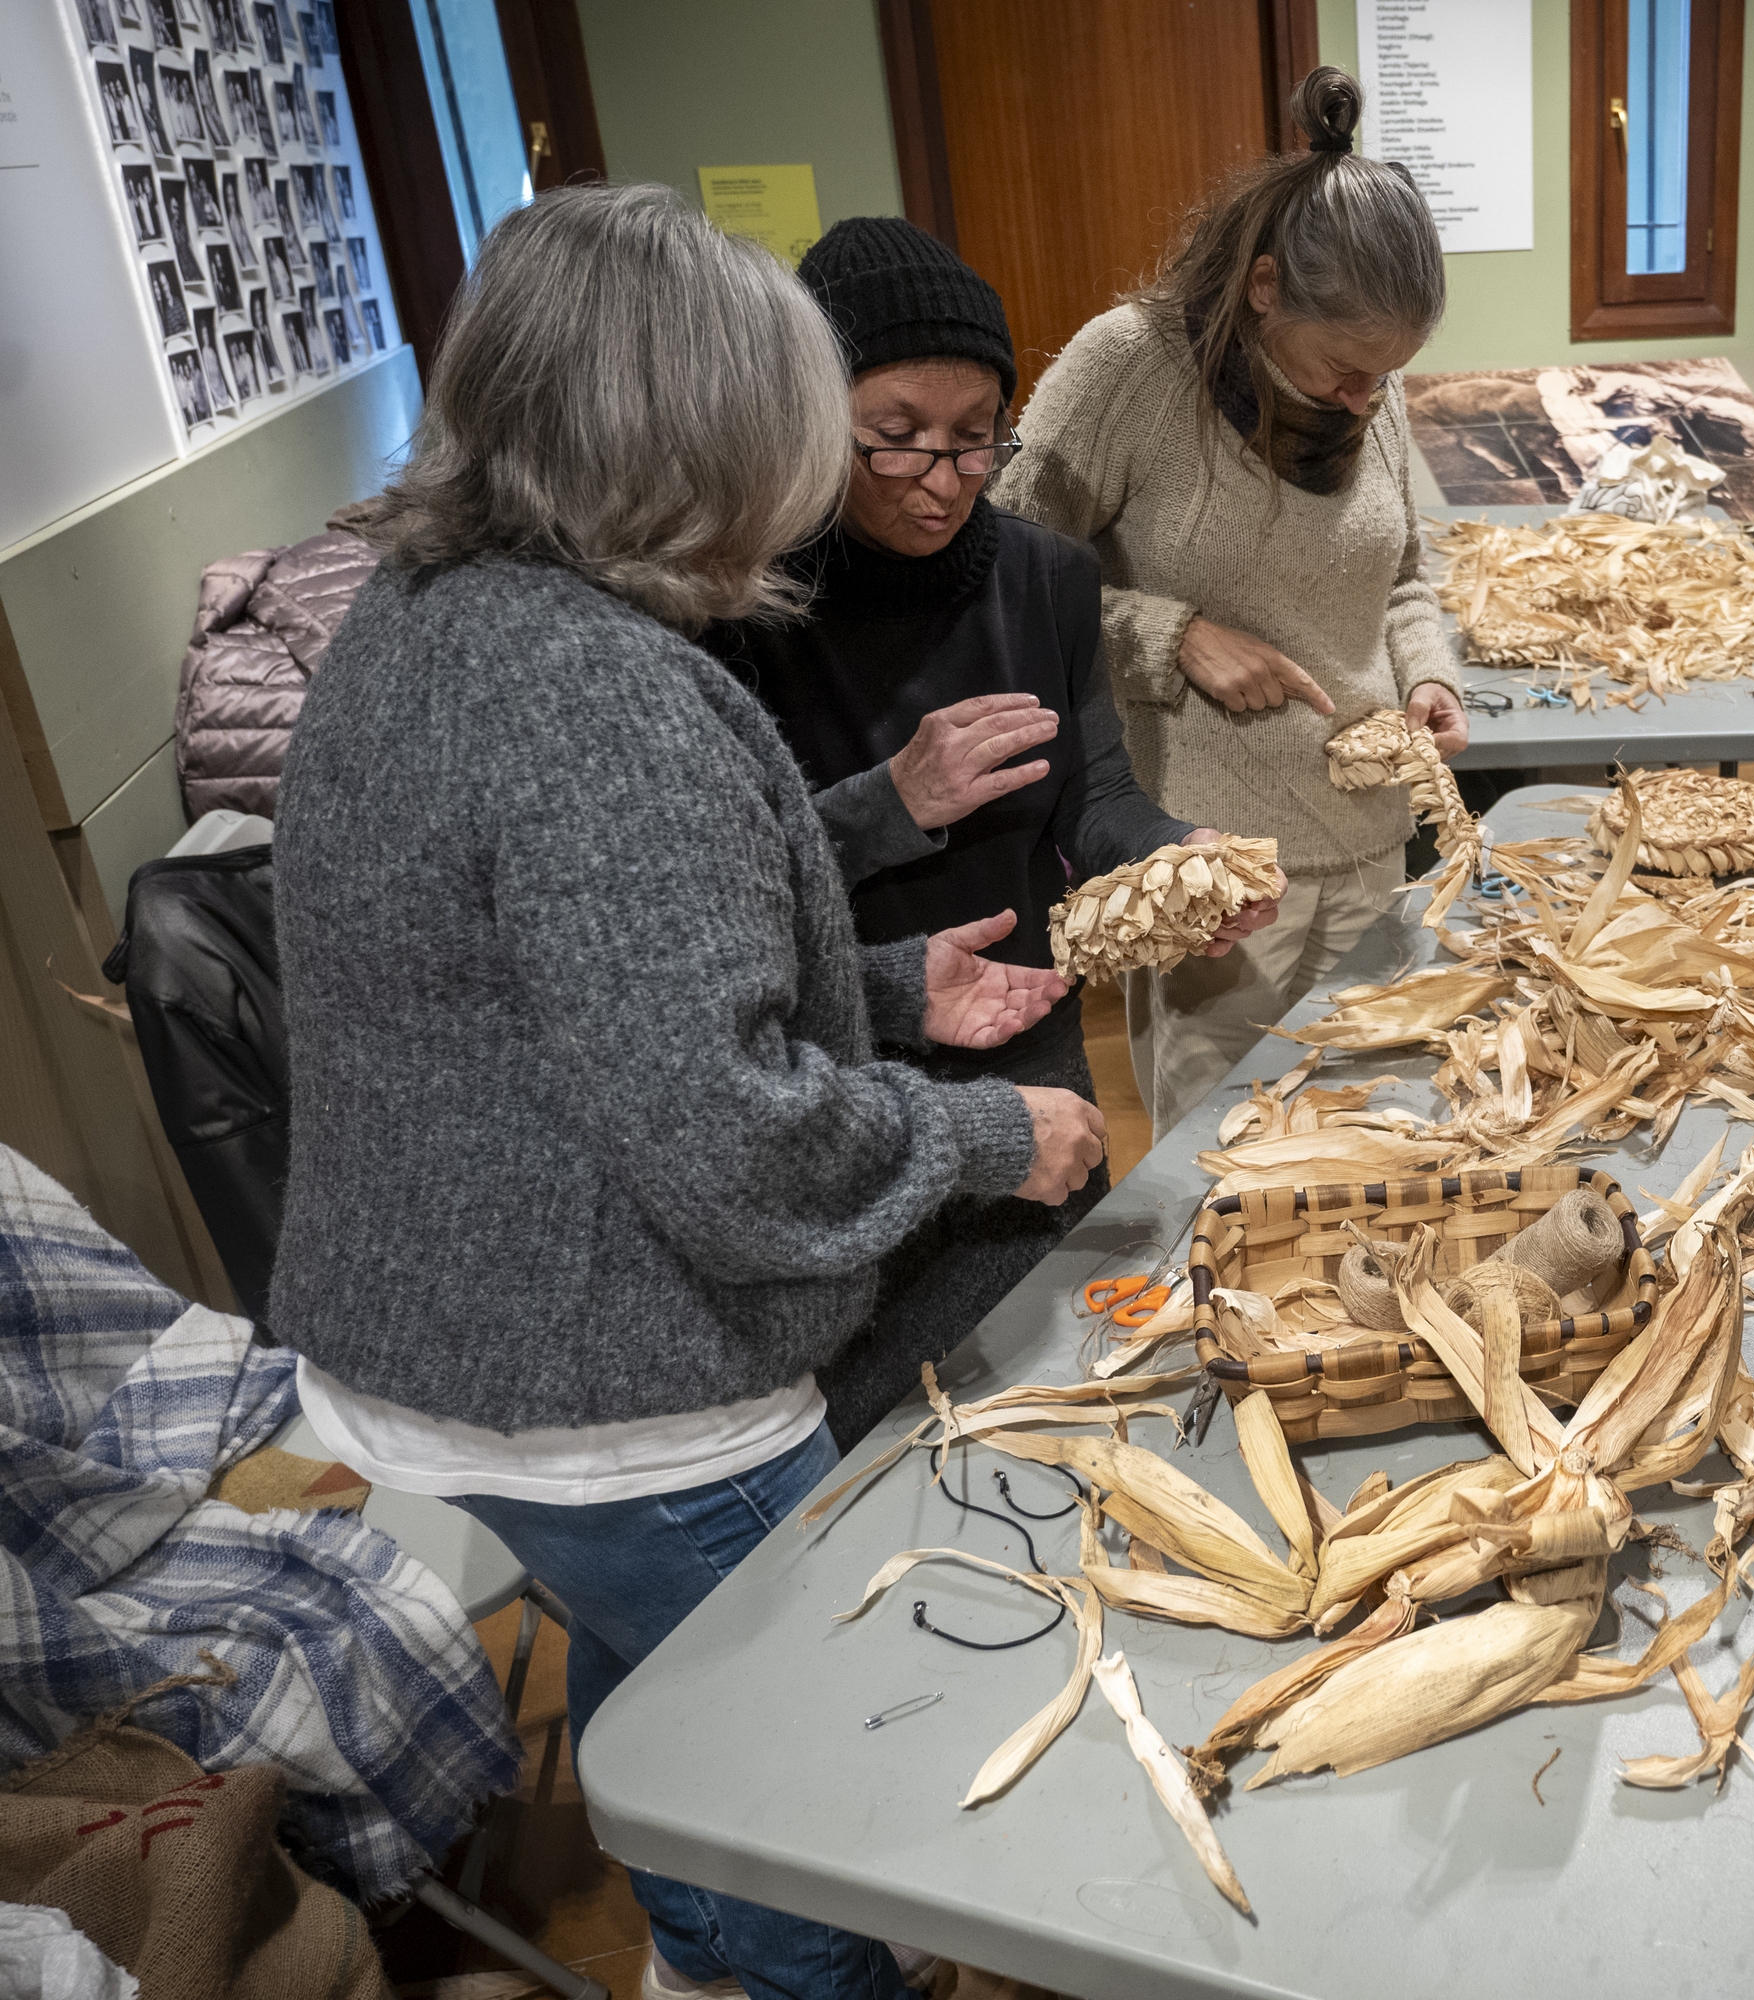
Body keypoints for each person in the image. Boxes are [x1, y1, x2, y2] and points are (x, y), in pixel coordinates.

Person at [268, 185, 1097, 2000]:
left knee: (672, 1700)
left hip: (456, 1337)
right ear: (703, 441)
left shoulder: (425, 619)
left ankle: (700, 1962)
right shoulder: (603, 697)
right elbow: (733, 1143)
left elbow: (573, 999)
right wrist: (995, 1131)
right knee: (797, 1781)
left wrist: (887, 990)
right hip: (609, 1384)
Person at [703, 217, 1277, 1417]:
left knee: (1045, 1372)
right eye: (896, 441)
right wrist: (887, 805)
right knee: (870, 1411)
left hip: (1025, 1030)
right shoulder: (743, 606)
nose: (943, 480)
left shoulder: (1046, 578)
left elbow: (1095, 796)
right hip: (842, 1054)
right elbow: (717, 887)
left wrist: (1176, 865)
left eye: (977, 443)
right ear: (816, 420)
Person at [999, 65, 1466, 1136]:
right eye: (1347, 367)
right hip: (1217, 868)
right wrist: (1172, 637)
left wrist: (1428, 672)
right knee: (1223, 1152)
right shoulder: (1131, 366)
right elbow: (1010, 583)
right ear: (1264, 288)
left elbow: (1402, 574)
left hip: (1368, 845)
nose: (1366, 398)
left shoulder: (1368, 388)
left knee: (1372, 1129)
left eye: (1387, 376)